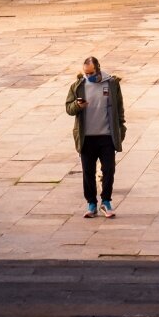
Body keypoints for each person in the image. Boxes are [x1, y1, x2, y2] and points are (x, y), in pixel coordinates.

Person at [64, 56, 125, 218]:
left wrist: (120, 131)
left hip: (106, 137)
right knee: (88, 172)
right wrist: (77, 105)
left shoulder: (111, 84)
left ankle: (106, 201)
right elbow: (69, 109)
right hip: (87, 138)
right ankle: (91, 203)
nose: (88, 76)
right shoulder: (78, 86)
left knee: (109, 170)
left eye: (91, 73)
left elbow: (119, 110)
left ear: (98, 69)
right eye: (85, 73)